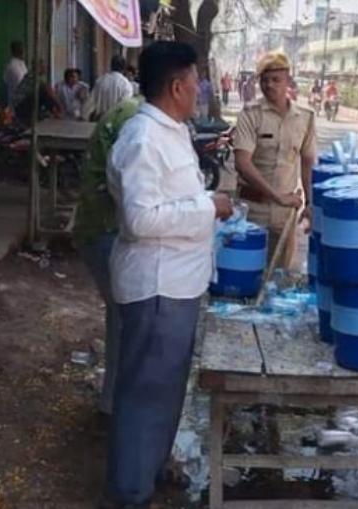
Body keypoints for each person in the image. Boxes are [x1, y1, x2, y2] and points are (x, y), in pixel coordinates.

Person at [102, 41, 232, 508]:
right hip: (156, 286)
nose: (200, 91)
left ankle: (150, 469)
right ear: (176, 87)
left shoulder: (172, 130)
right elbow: (140, 220)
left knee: (166, 389)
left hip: (177, 284)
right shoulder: (142, 139)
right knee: (145, 396)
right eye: (196, 83)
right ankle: (129, 494)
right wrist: (207, 206)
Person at [73, 97, 142, 417]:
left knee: (122, 316)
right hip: (103, 230)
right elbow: (135, 195)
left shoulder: (133, 114)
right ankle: (117, 403)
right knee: (127, 315)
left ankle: (116, 399)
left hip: (98, 227)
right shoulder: (137, 124)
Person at [233, 52, 316, 269]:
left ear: (288, 81)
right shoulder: (250, 115)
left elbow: (307, 163)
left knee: (279, 278)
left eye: (276, 79)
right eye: (264, 80)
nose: (269, 85)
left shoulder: (305, 118)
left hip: (284, 214)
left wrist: (309, 203)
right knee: (246, 273)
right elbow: (242, 163)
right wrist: (277, 196)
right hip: (252, 209)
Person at [12, 59, 63, 126]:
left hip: (24, 105)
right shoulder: (33, 76)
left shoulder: (34, 76)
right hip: (21, 106)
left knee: (44, 93)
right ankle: (55, 113)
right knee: (43, 91)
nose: (45, 68)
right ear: (38, 67)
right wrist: (61, 108)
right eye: (43, 66)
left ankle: (52, 112)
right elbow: (50, 92)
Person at [88, 54, 134, 120]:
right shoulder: (126, 84)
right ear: (124, 68)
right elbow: (124, 106)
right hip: (116, 122)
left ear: (111, 66)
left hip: (100, 121)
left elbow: (91, 102)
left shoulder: (100, 80)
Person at [3, 41, 27, 107]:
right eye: (19, 49)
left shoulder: (22, 63)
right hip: (16, 103)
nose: (22, 51)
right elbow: (6, 80)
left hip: (24, 100)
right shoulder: (11, 65)